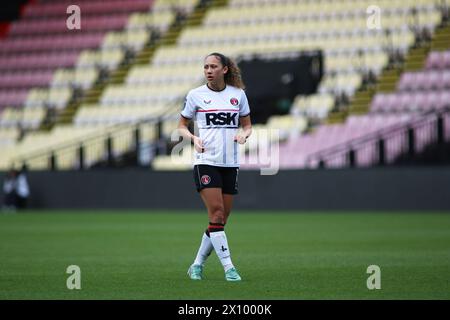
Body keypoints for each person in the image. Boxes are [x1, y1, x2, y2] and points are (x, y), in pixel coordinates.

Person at [178, 52, 252, 282]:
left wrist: (244, 135)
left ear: (225, 69)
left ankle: (197, 264)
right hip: (206, 161)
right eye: (205, 67)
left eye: (213, 66)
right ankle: (229, 268)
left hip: (230, 163)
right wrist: (193, 138)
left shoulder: (238, 95)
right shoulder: (195, 95)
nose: (208, 70)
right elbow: (181, 125)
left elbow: (247, 125)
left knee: (220, 220)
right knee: (217, 213)